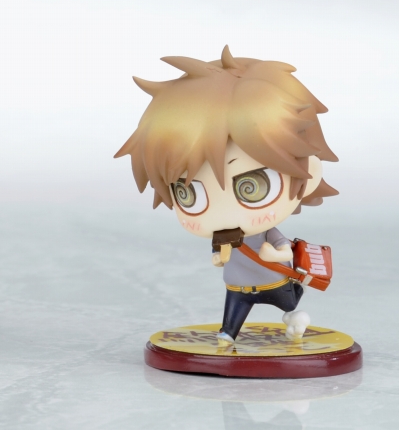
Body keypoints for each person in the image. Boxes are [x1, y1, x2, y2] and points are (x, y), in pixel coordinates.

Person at [115, 46, 338, 345]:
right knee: (230, 323)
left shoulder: (267, 232)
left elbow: (283, 249)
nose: (222, 212)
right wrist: (218, 259)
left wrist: (275, 255)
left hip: (273, 280)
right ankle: (228, 334)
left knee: (290, 304)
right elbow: (219, 256)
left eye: (252, 186)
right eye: (188, 192)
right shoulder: (222, 236)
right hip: (237, 287)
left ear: (310, 172)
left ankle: (296, 318)